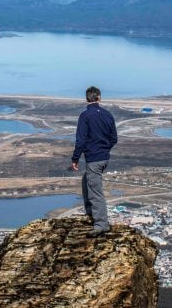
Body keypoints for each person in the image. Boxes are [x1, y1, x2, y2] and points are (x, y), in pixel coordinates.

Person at [71, 86, 118, 236]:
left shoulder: (85, 116)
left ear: (87, 99)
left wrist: (75, 159)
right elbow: (114, 138)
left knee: (95, 191)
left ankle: (101, 224)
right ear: (99, 98)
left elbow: (81, 141)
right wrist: (104, 149)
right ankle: (91, 214)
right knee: (87, 182)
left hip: (93, 159)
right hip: (104, 158)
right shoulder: (107, 115)